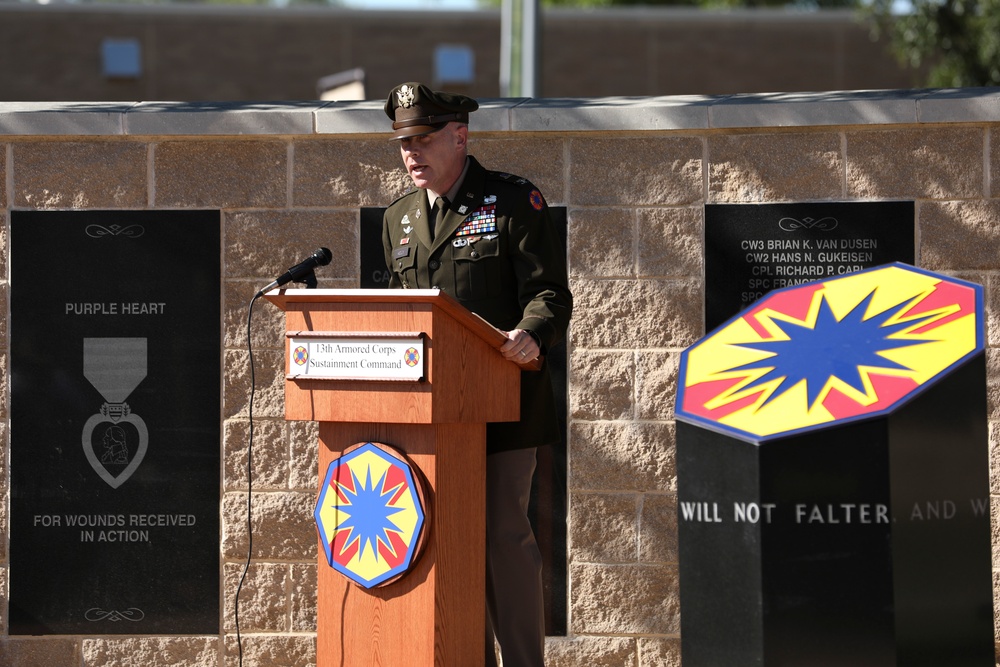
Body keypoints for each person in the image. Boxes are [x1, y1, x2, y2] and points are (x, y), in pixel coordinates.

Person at [382, 82, 573, 667]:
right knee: (440, 539)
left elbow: (549, 293)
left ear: (459, 136)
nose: (411, 153)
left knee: (499, 537)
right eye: (403, 143)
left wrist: (529, 334)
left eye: (423, 139)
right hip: (426, 412)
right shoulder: (399, 218)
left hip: (503, 403)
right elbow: (398, 309)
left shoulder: (514, 201)